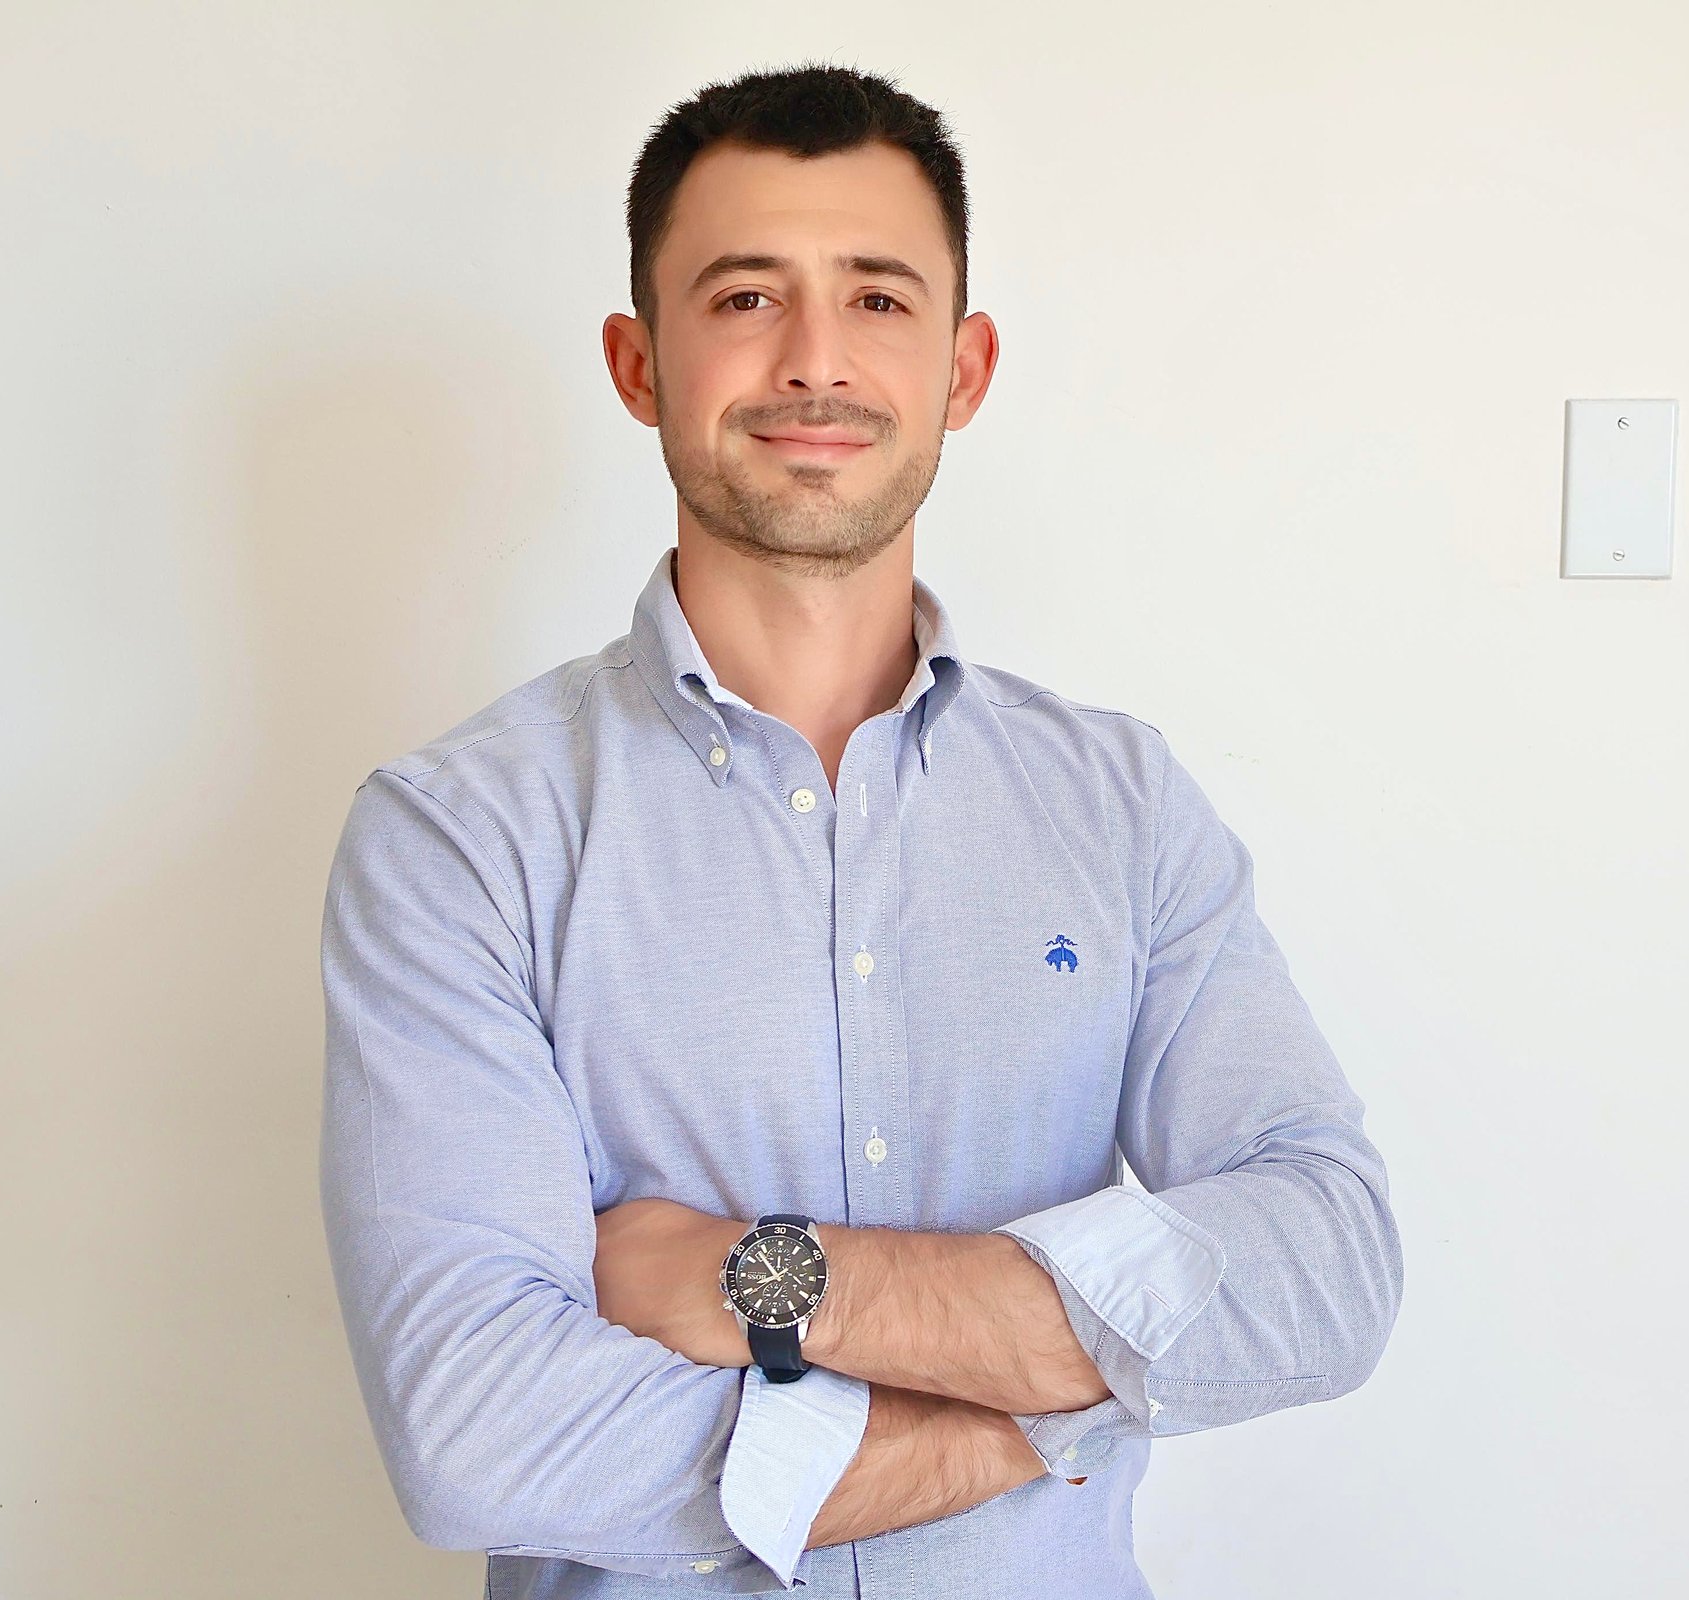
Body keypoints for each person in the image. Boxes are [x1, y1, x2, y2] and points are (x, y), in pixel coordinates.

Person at [319, 62, 1403, 1598]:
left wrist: (769, 1283)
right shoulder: (457, 838)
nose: (815, 361)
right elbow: (479, 1433)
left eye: (878, 299)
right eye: (746, 297)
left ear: (965, 368)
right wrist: (1071, 1393)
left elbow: (1326, 1261)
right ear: (639, 362)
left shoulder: (1123, 804)